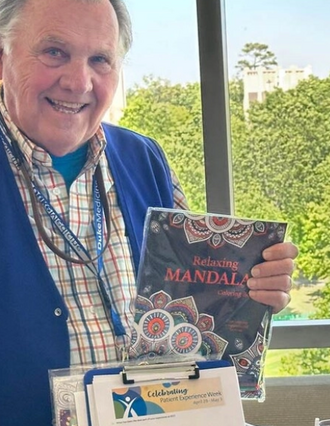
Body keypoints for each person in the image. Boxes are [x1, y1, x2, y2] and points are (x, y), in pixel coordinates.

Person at [0, 0, 298, 424]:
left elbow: (197, 304)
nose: (78, 81)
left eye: (100, 59)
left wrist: (250, 292)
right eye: (54, 53)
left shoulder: (144, 158)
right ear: (3, 55)